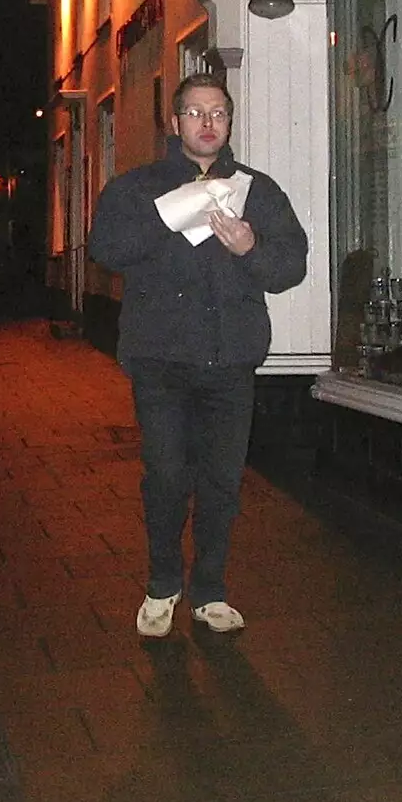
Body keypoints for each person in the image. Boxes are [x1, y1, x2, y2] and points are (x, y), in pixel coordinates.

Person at [88, 73, 308, 636]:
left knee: (221, 480)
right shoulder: (137, 188)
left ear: (230, 122)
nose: (208, 123)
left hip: (230, 361)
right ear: (175, 122)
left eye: (218, 113)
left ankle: (210, 590)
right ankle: (163, 585)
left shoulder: (259, 191)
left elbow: (291, 267)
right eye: (195, 113)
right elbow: (107, 249)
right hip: (159, 360)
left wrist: (251, 246)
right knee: (165, 475)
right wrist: (169, 217)